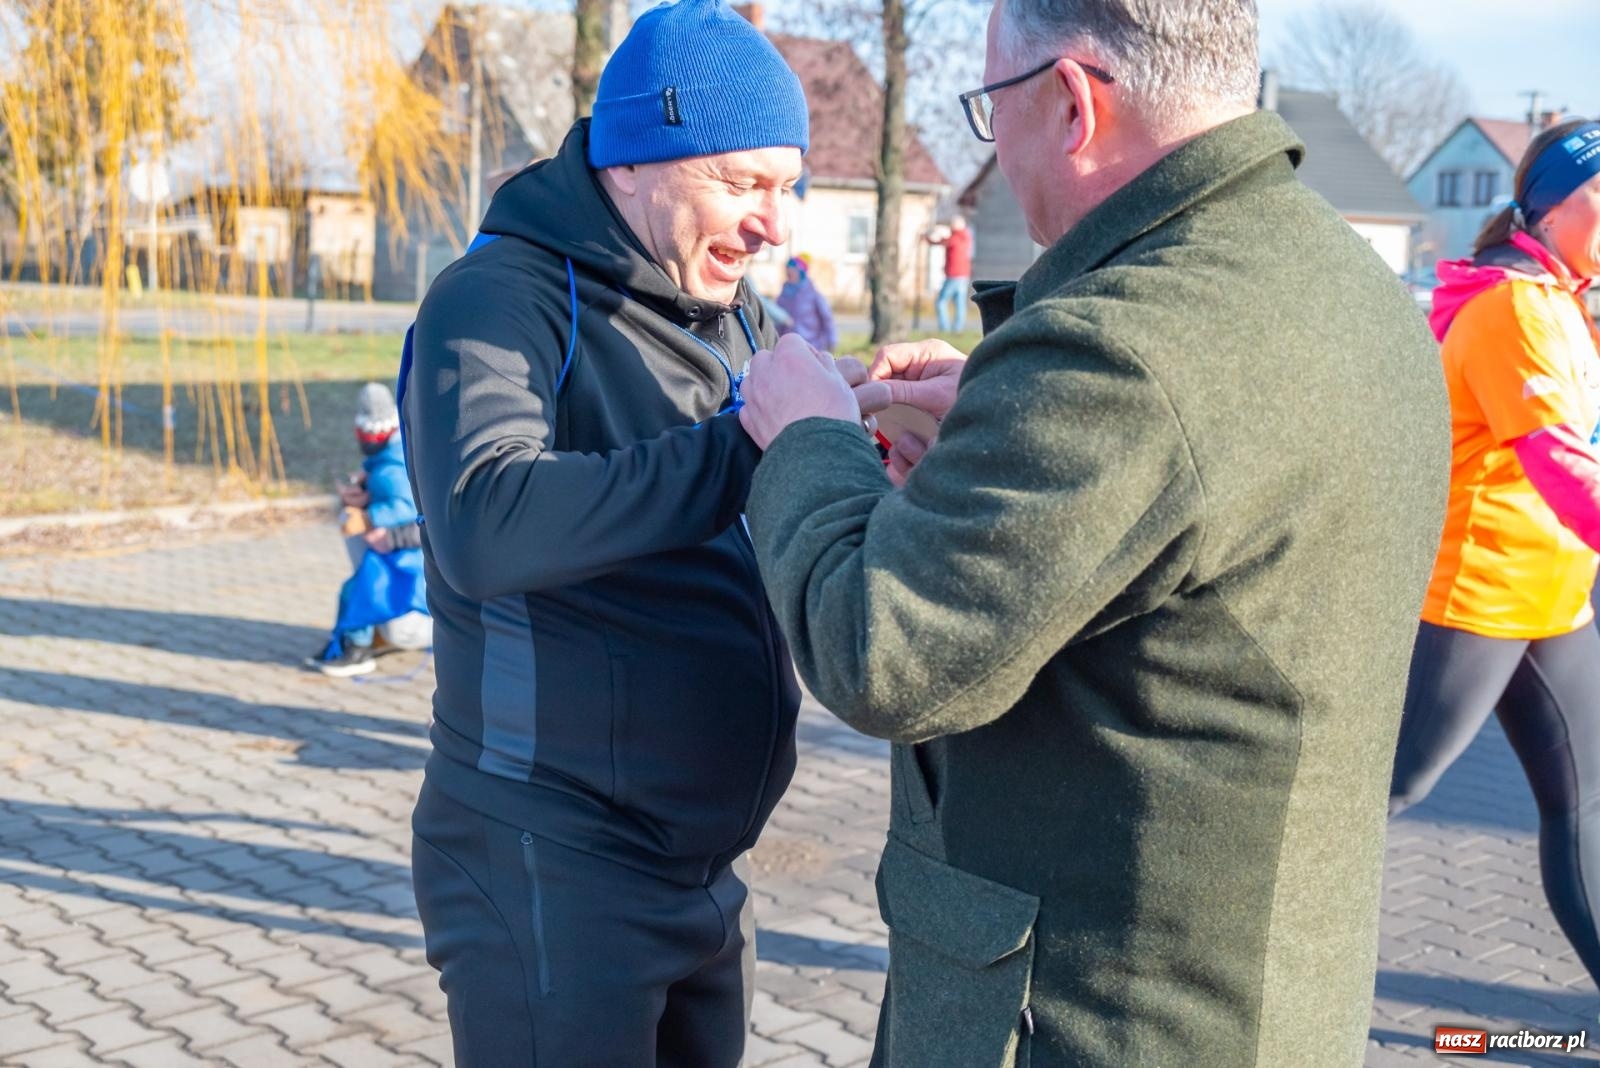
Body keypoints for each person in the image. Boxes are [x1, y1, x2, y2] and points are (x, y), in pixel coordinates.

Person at [734, 1, 1449, 1065]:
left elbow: (881, 653)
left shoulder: (1115, 355)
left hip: (1094, 1017)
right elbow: (1203, 503)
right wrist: (998, 427)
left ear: (1070, 102)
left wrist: (807, 440)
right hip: (1270, 994)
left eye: (990, 107)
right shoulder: (1344, 287)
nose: (995, 147)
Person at [399, 1, 838, 1063]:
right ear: (634, 161)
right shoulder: (497, 302)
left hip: (699, 866)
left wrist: (860, 436)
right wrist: (755, 445)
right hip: (548, 858)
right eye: (741, 183)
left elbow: (784, 439)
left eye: (788, 188)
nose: (773, 225)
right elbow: (487, 522)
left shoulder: (727, 307)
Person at [1389, 120, 1600, 987]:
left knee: (1584, 803)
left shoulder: (1561, 300)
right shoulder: (1513, 306)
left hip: (1553, 595)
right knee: (1376, 794)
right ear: (1550, 212)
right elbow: (1564, 465)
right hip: (1479, 595)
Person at [303, 382, 430, 678]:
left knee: (374, 594)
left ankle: (364, 644)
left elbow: (408, 508)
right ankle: (362, 637)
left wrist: (370, 516)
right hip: (392, 550)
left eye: (374, 434)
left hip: (411, 562)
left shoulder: (394, 467)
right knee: (362, 584)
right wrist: (361, 490)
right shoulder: (389, 458)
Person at [776, 254, 836, 352]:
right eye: (787, 271)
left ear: (801, 272)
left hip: (812, 345)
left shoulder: (813, 294)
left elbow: (827, 317)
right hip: (789, 346)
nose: (789, 273)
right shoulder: (784, 294)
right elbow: (778, 319)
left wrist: (832, 340)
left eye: (792, 270)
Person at [926, 214, 973, 332]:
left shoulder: (956, 237)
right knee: (959, 302)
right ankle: (957, 328)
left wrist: (929, 239)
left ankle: (945, 327)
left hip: (954, 275)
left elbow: (943, 242)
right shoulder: (965, 237)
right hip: (963, 275)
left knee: (941, 301)